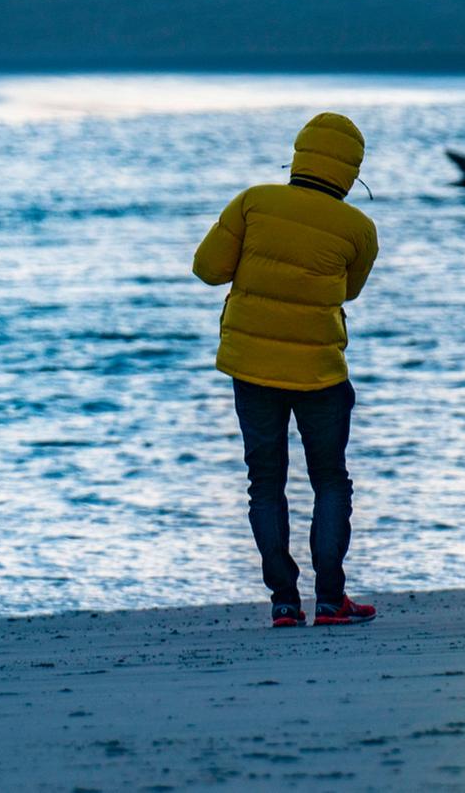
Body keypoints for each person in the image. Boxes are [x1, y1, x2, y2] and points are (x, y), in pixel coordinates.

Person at [193, 112, 382, 628]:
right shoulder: (359, 229)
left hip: (251, 368)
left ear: (299, 154)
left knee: (265, 482)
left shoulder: (254, 202)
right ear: (350, 170)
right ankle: (330, 600)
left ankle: (282, 602)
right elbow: (348, 292)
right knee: (329, 479)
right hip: (321, 370)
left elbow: (207, 269)